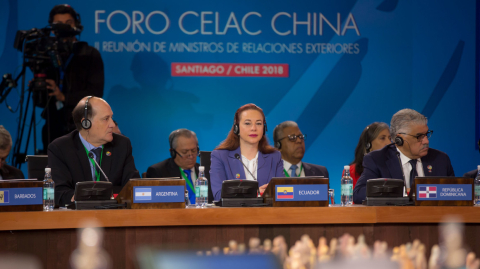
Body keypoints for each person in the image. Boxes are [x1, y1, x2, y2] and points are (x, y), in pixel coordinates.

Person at [48, 96, 139, 207]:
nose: (112, 124)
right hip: (77, 218)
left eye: (111, 117)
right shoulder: (61, 148)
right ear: (86, 124)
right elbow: (58, 192)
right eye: (106, 119)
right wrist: (83, 198)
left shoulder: (122, 144)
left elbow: (133, 186)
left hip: (114, 216)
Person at [353, 109, 455, 204]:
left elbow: (455, 194)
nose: (426, 141)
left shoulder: (440, 159)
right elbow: (359, 194)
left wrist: (422, 192)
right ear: (399, 139)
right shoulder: (378, 159)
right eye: (419, 136)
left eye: (426, 134)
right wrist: (402, 192)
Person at [40, 4, 104, 151]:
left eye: (68, 23)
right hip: (52, 126)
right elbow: (42, 101)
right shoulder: (46, 55)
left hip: (82, 126)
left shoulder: (89, 54)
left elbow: (96, 94)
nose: (64, 28)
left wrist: (63, 97)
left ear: (77, 25)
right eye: (59, 24)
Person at [210, 104, 284, 201]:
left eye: (258, 123)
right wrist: (255, 193)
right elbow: (218, 195)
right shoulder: (220, 156)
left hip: (267, 215)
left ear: (264, 128)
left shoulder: (275, 157)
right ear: (237, 128)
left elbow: (283, 193)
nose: (254, 128)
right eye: (247, 123)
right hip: (234, 215)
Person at [146, 129, 200, 205]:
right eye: (185, 152)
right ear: (172, 152)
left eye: (194, 151)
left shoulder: (208, 171)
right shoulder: (158, 171)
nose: (190, 156)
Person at [346, 122, 391, 188]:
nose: (389, 143)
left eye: (390, 138)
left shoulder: (396, 167)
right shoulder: (351, 172)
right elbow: (350, 197)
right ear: (368, 145)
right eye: (382, 138)